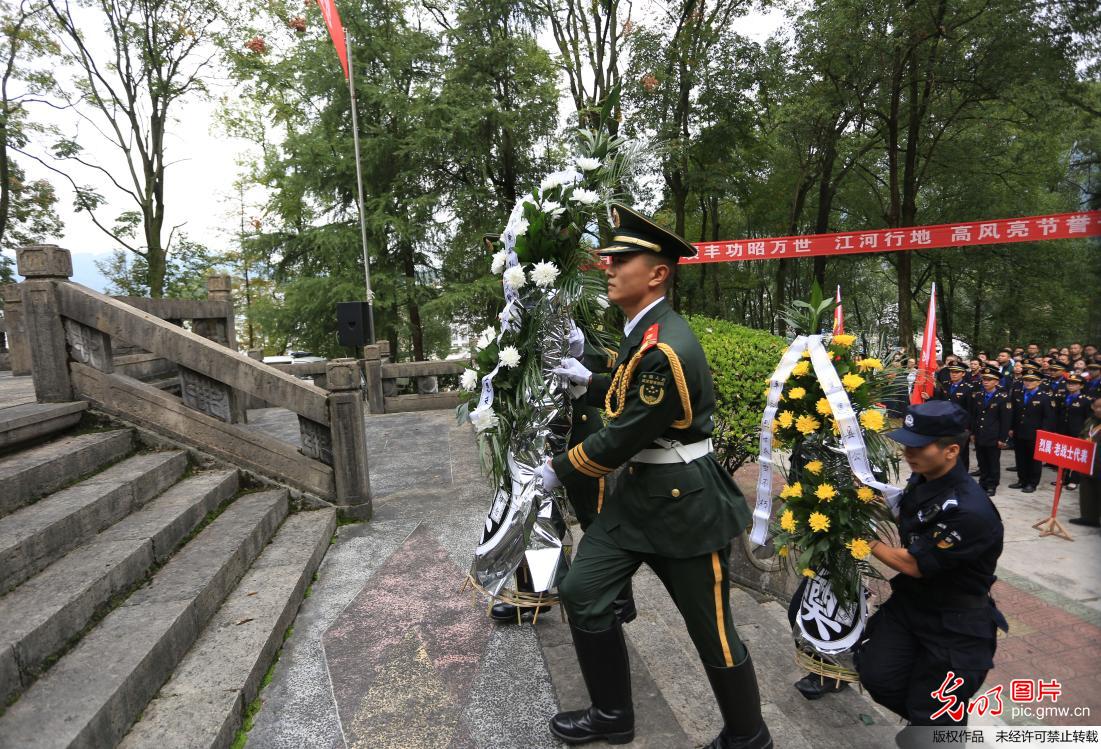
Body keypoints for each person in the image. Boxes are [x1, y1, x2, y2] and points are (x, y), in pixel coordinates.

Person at [543, 203, 770, 748]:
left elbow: (624, 434)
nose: (608, 267)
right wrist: (587, 380)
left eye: (621, 259)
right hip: (640, 497)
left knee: (711, 631)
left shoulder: (666, 345)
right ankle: (613, 715)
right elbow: (627, 397)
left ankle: (749, 736)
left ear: (658, 273)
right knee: (583, 591)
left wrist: (555, 471)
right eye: (608, 258)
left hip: (685, 505)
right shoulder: (644, 332)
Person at [856, 401, 1008, 747]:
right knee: (877, 675)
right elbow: (909, 518)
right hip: (912, 608)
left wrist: (859, 539)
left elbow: (914, 563)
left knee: (932, 721)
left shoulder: (970, 511)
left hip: (956, 626)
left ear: (951, 450)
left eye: (918, 446)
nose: (908, 452)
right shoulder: (924, 478)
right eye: (906, 443)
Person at [1008, 370, 1054, 493]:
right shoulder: (1018, 394)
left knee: (1034, 460)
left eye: (1031, 380)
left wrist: (1043, 433)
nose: (1028, 383)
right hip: (1019, 431)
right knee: (1020, 458)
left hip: (1035, 433)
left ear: (1039, 382)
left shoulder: (1045, 397)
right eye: (1026, 380)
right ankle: (1022, 480)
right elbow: (1014, 413)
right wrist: (1011, 428)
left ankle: (1032, 483)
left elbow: (1048, 418)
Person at [970, 365, 1011, 497]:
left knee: (992, 462)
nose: (985, 382)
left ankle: (992, 485)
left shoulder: (1003, 397)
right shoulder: (979, 395)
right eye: (984, 379)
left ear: (996, 382)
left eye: (989, 379)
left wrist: (1002, 438)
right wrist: (973, 433)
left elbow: (1005, 420)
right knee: (981, 460)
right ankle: (983, 482)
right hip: (980, 434)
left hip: (993, 435)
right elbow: (975, 416)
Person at [931, 362, 974, 471]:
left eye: (957, 372)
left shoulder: (968, 388)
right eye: (952, 372)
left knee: (961, 452)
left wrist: (968, 427)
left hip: (960, 425)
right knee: (946, 450)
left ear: (963, 374)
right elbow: (939, 402)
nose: (953, 374)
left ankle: (962, 474)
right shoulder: (946, 384)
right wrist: (928, 398)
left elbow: (970, 409)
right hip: (946, 423)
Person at [1054, 374, 1092, 491]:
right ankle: (1063, 478)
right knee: (1064, 454)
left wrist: (1085, 434)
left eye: (1074, 383)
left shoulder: (1086, 400)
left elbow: (1089, 418)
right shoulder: (1063, 396)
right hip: (1063, 430)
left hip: (1078, 431)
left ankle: (1074, 480)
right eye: (1069, 382)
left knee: (1076, 456)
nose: (1070, 385)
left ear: (1080, 386)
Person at [1070, 395, 1101, 528]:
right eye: (1097, 407)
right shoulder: (1090, 421)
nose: (1099, 410)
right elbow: (1082, 436)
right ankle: (1089, 517)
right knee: (1087, 490)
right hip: (1088, 461)